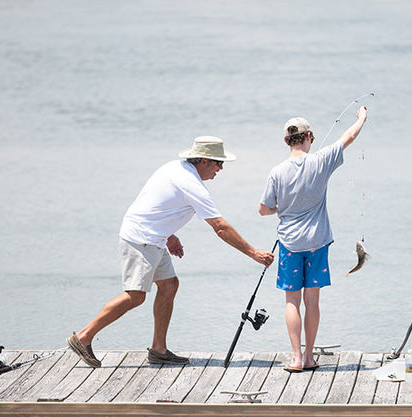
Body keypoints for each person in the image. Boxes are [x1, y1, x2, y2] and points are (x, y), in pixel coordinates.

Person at [68, 136, 274, 368]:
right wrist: (253, 253)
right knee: (135, 296)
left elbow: (158, 205)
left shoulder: (175, 168)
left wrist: (170, 235)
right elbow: (220, 227)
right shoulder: (191, 183)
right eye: (218, 163)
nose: (221, 169)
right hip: (141, 239)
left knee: (169, 285)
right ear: (204, 161)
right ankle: (84, 337)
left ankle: (158, 349)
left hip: (153, 237)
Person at [259, 107, 367, 372]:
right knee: (312, 302)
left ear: (286, 141)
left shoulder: (277, 172)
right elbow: (348, 138)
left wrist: (280, 209)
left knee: (291, 301)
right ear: (310, 137)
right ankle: (309, 357)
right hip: (318, 243)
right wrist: (362, 117)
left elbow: (263, 209)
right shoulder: (321, 161)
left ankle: (295, 358)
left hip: (290, 244)